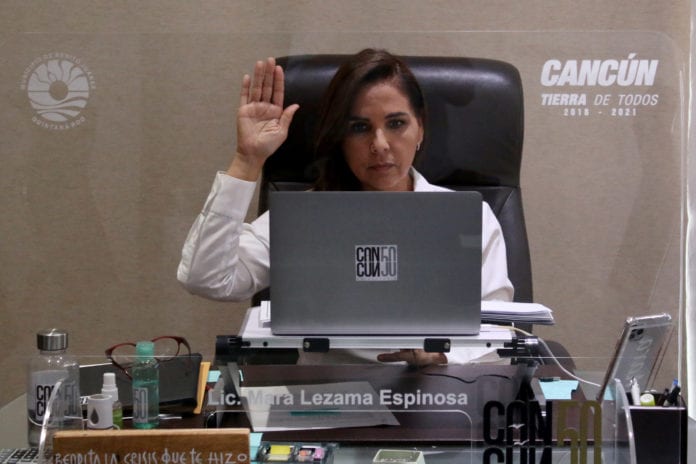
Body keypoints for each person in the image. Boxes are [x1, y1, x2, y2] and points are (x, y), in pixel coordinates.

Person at [178, 49, 514, 366]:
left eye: (396, 123)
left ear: (420, 128)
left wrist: (440, 356)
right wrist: (247, 159)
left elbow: (499, 332)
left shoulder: (468, 218)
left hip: (438, 392)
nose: (379, 145)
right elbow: (206, 278)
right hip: (327, 395)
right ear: (340, 138)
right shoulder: (308, 217)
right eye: (359, 128)